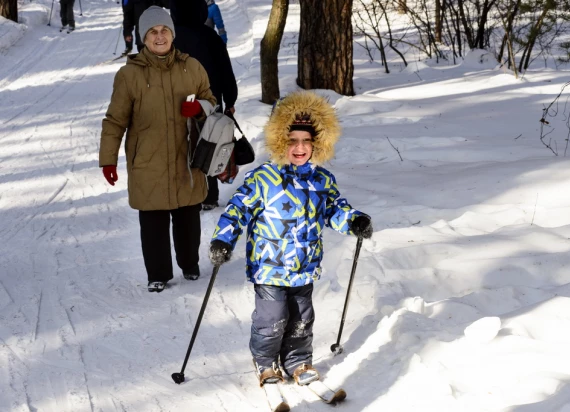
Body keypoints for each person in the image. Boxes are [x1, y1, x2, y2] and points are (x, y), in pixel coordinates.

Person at [208, 91, 373, 386]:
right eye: (293, 140)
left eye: (307, 141)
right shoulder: (263, 178)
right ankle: (266, 361)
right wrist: (223, 240)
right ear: (280, 142)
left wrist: (354, 221)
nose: (300, 147)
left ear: (317, 143)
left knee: (300, 321)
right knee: (271, 320)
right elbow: (237, 211)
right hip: (269, 266)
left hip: (304, 267)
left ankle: (297, 361)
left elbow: (335, 209)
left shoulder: (322, 181)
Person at [99, 6, 217, 293]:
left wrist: (199, 108)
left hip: (186, 156)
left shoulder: (192, 67)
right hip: (147, 159)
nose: (160, 36)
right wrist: (108, 160)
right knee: (153, 219)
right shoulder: (129, 75)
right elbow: (115, 120)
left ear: (172, 34)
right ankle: (158, 274)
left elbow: (212, 102)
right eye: (153, 32)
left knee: (188, 215)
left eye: (164, 30)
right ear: (144, 37)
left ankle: (189, 265)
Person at [169, 0, 238, 211]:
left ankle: (184, 193)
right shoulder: (211, 37)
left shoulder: (169, 39)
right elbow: (225, 70)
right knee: (209, 145)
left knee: (180, 146)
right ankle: (209, 195)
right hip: (210, 100)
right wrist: (230, 101)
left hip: (176, 103)